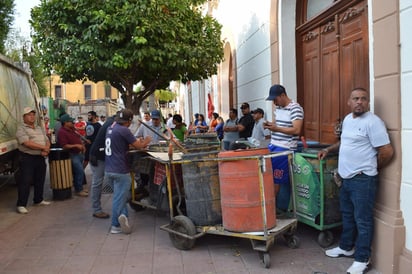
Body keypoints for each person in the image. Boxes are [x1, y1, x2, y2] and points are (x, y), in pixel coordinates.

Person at [318, 87, 393, 274]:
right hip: (345, 178)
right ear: (349, 102)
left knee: (363, 220)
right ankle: (346, 247)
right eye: (355, 98)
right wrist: (328, 150)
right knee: (348, 216)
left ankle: (362, 258)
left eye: (363, 99)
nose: (359, 101)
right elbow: (345, 142)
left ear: (368, 103)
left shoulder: (373, 122)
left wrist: (370, 169)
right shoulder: (348, 120)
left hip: (363, 180)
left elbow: (387, 151)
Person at [105, 109, 152, 234]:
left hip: (109, 168)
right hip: (120, 170)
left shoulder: (111, 128)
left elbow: (122, 144)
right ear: (129, 121)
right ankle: (115, 226)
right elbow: (139, 146)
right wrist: (147, 140)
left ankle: (123, 217)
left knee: (120, 196)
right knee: (119, 199)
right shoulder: (124, 130)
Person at [263, 84, 304, 214]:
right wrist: (270, 125)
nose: (274, 102)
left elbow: (296, 130)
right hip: (273, 145)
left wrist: (277, 128)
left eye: (275, 99)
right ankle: (274, 207)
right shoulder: (279, 108)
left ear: (282, 95)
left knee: (277, 180)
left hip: (285, 149)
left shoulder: (295, 108)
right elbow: (278, 124)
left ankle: (276, 210)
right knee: (272, 178)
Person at [15, 107, 51, 214]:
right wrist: (43, 148)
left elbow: (47, 140)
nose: (32, 116)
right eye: (29, 115)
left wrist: (47, 149)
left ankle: (38, 200)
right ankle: (21, 204)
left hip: (40, 157)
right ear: (24, 117)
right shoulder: (21, 129)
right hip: (27, 158)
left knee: (40, 179)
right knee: (25, 181)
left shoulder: (39, 128)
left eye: (33, 114)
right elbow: (27, 143)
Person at [89, 114, 116, 219]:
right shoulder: (112, 124)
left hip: (101, 156)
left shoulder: (110, 122)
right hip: (98, 157)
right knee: (97, 183)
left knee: (108, 180)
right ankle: (96, 210)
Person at [57, 113, 88, 197]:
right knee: (79, 171)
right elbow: (64, 146)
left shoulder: (72, 129)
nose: (72, 123)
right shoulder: (61, 132)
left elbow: (78, 138)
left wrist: (82, 145)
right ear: (65, 122)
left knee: (77, 172)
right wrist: (76, 146)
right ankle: (79, 190)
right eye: (70, 121)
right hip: (72, 154)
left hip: (79, 153)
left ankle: (79, 187)